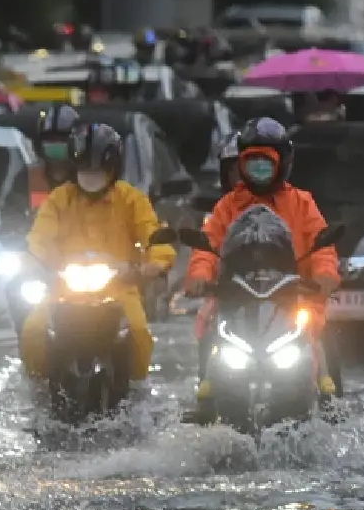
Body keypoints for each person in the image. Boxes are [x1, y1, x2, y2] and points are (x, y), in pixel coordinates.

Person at [184, 118, 341, 395]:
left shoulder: (302, 202)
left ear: (282, 163)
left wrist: (325, 274)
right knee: (211, 324)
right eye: (250, 160)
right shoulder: (227, 206)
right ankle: (207, 389)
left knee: (315, 329)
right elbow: (207, 247)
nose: (258, 168)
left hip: (293, 295)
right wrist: (199, 275)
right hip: (237, 295)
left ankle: (324, 388)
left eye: (265, 160)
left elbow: (322, 245)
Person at [19, 123, 176, 393]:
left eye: (98, 171)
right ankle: (39, 388)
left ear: (113, 169)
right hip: (63, 288)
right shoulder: (59, 199)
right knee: (33, 330)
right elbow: (39, 238)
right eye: (85, 170)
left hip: (119, 287)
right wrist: (31, 261)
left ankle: (136, 389)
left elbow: (153, 233)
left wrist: (156, 262)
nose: (91, 177)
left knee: (139, 332)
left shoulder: (131, 199)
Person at [32, 103, 82, 189]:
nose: (54, 144)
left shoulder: (90, 178)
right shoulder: (30, 177)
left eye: (61, 139)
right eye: (49, 139)